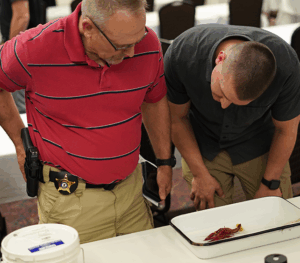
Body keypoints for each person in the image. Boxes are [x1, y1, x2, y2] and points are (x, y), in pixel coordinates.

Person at [0, 0, 173, 243]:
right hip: (70, 202)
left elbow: (154, 100)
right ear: (87, 27)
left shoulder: (145, 43)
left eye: (137, 39)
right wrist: (20, 143)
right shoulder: (34, 47)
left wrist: (164, 161)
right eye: (122, 45)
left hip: (132, 192)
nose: (132, 53)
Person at [164, 24, 300, 211]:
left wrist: (271, 183)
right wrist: (199, 175)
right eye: (221, 93)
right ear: (220, 58)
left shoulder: (287, 66)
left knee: (276, 216)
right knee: (214, 225)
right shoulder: (183, 54)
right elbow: (176, 119)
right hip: (203, 143)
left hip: (259, 142)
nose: (224, 105)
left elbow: (286, 129)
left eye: (235, 102)